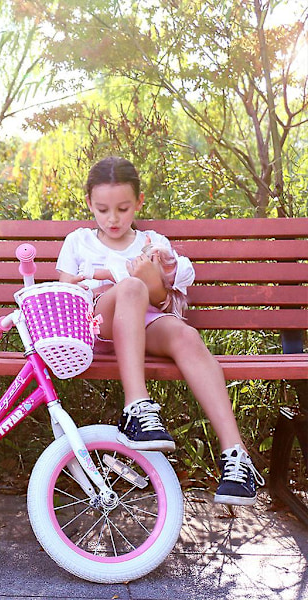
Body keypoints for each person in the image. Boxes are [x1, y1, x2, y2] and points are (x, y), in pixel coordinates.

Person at [56, 156, 264, 506]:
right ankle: (136, 406)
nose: (113, 219)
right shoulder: (78, 241)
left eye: (123, 208)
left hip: (143, 327)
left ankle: (236, 456)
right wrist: (117, 277)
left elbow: (160, 299)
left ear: (138, 202)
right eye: (103, 209)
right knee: (132, 289)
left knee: (187, 336)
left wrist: (152, 278)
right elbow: (67, 294)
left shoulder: (152, 243)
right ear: (89, 203)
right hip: (98, 326)